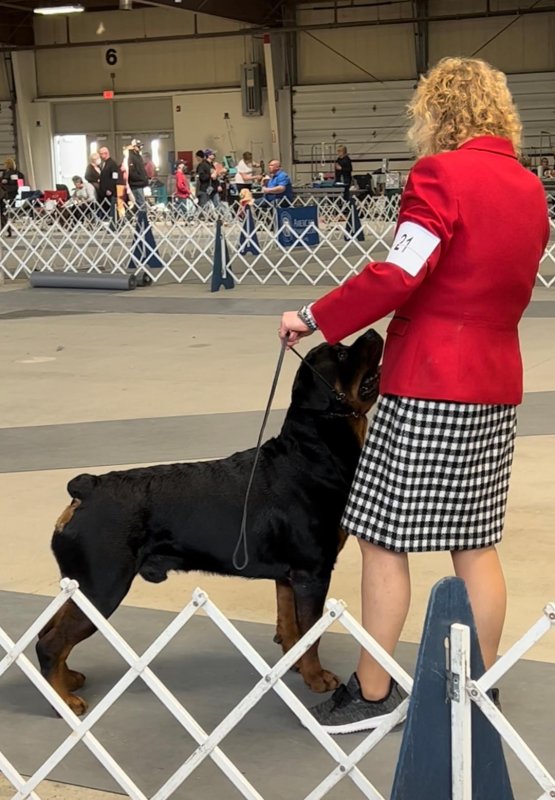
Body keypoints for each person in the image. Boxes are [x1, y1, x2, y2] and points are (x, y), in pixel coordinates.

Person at [278, 56, 549, 734]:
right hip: (495, 382)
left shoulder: (438, 175)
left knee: (377, 537)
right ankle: (478, 691)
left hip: (430, 379)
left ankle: (372, 695)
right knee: (474, 542)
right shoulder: (528, 187)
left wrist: (314, 316)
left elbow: (399, 274)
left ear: (437, 112)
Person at [0, 158, 25, 237]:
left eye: (5, 164)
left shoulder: (15, 174)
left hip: (9, 195)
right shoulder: (5, 173)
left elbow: (19, 184)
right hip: (6, 194)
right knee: (3, 213)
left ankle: (6, 229)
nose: (4, 165)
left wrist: (7, 181)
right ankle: (6, 229)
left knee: (3, 213)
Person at [97, 146, 122, 223]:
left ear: (106, 153)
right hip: (103, 191)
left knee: (111, 208)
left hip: (110, 192)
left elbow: (115, 177)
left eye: (101, 154)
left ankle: (114, 223)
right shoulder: (104, 163)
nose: (100, 156)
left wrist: (110, 189)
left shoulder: (112, 164)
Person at [127, 138, 149, 210]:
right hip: (136, 185)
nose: (140, 147)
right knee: (141, 205)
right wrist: (141, 178)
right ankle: (141, 217)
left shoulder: (138, 156)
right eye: (138, 146)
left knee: (141, 204)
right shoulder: (130, 157)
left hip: (140, 184)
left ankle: (140, 216)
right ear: (134, 147)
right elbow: (131, 172)